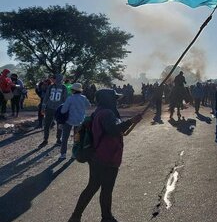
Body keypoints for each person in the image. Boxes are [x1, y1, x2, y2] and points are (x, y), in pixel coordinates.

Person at [68, 89, 143, 222]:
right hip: (107, 157)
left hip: (97, 156)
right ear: (109, 100)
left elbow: (114, 128)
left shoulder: (99, 111)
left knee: (92, 187)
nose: (116, 101)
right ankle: (106, 218)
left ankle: (76, 216)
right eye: (114, 99)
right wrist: (132, 120)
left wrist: (131, 122)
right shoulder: (108, 113)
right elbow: (114, 130)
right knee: (106, 189)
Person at [59, 83, 91, 159]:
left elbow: (63, 111)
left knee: (65, 138)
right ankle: (74, 154)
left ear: (73, 90)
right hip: (80, 120)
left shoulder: (70, 98)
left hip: (69, 120)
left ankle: (63, 154)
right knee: (77, 138)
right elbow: (89, 105)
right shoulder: (84, 98)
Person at [39, 73, 68, 148]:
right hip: (49, 108)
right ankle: (45, 139)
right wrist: (43, 107)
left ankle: (58, 139)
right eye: (52, 78)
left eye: (54, 78)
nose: (52, 79)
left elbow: (65, 99)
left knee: (60, 125)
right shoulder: (51, 86)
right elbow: (46, 97)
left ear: (58, 79)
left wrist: (65, 109)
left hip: (59, 109)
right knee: (46, 124)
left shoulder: (64, 87)